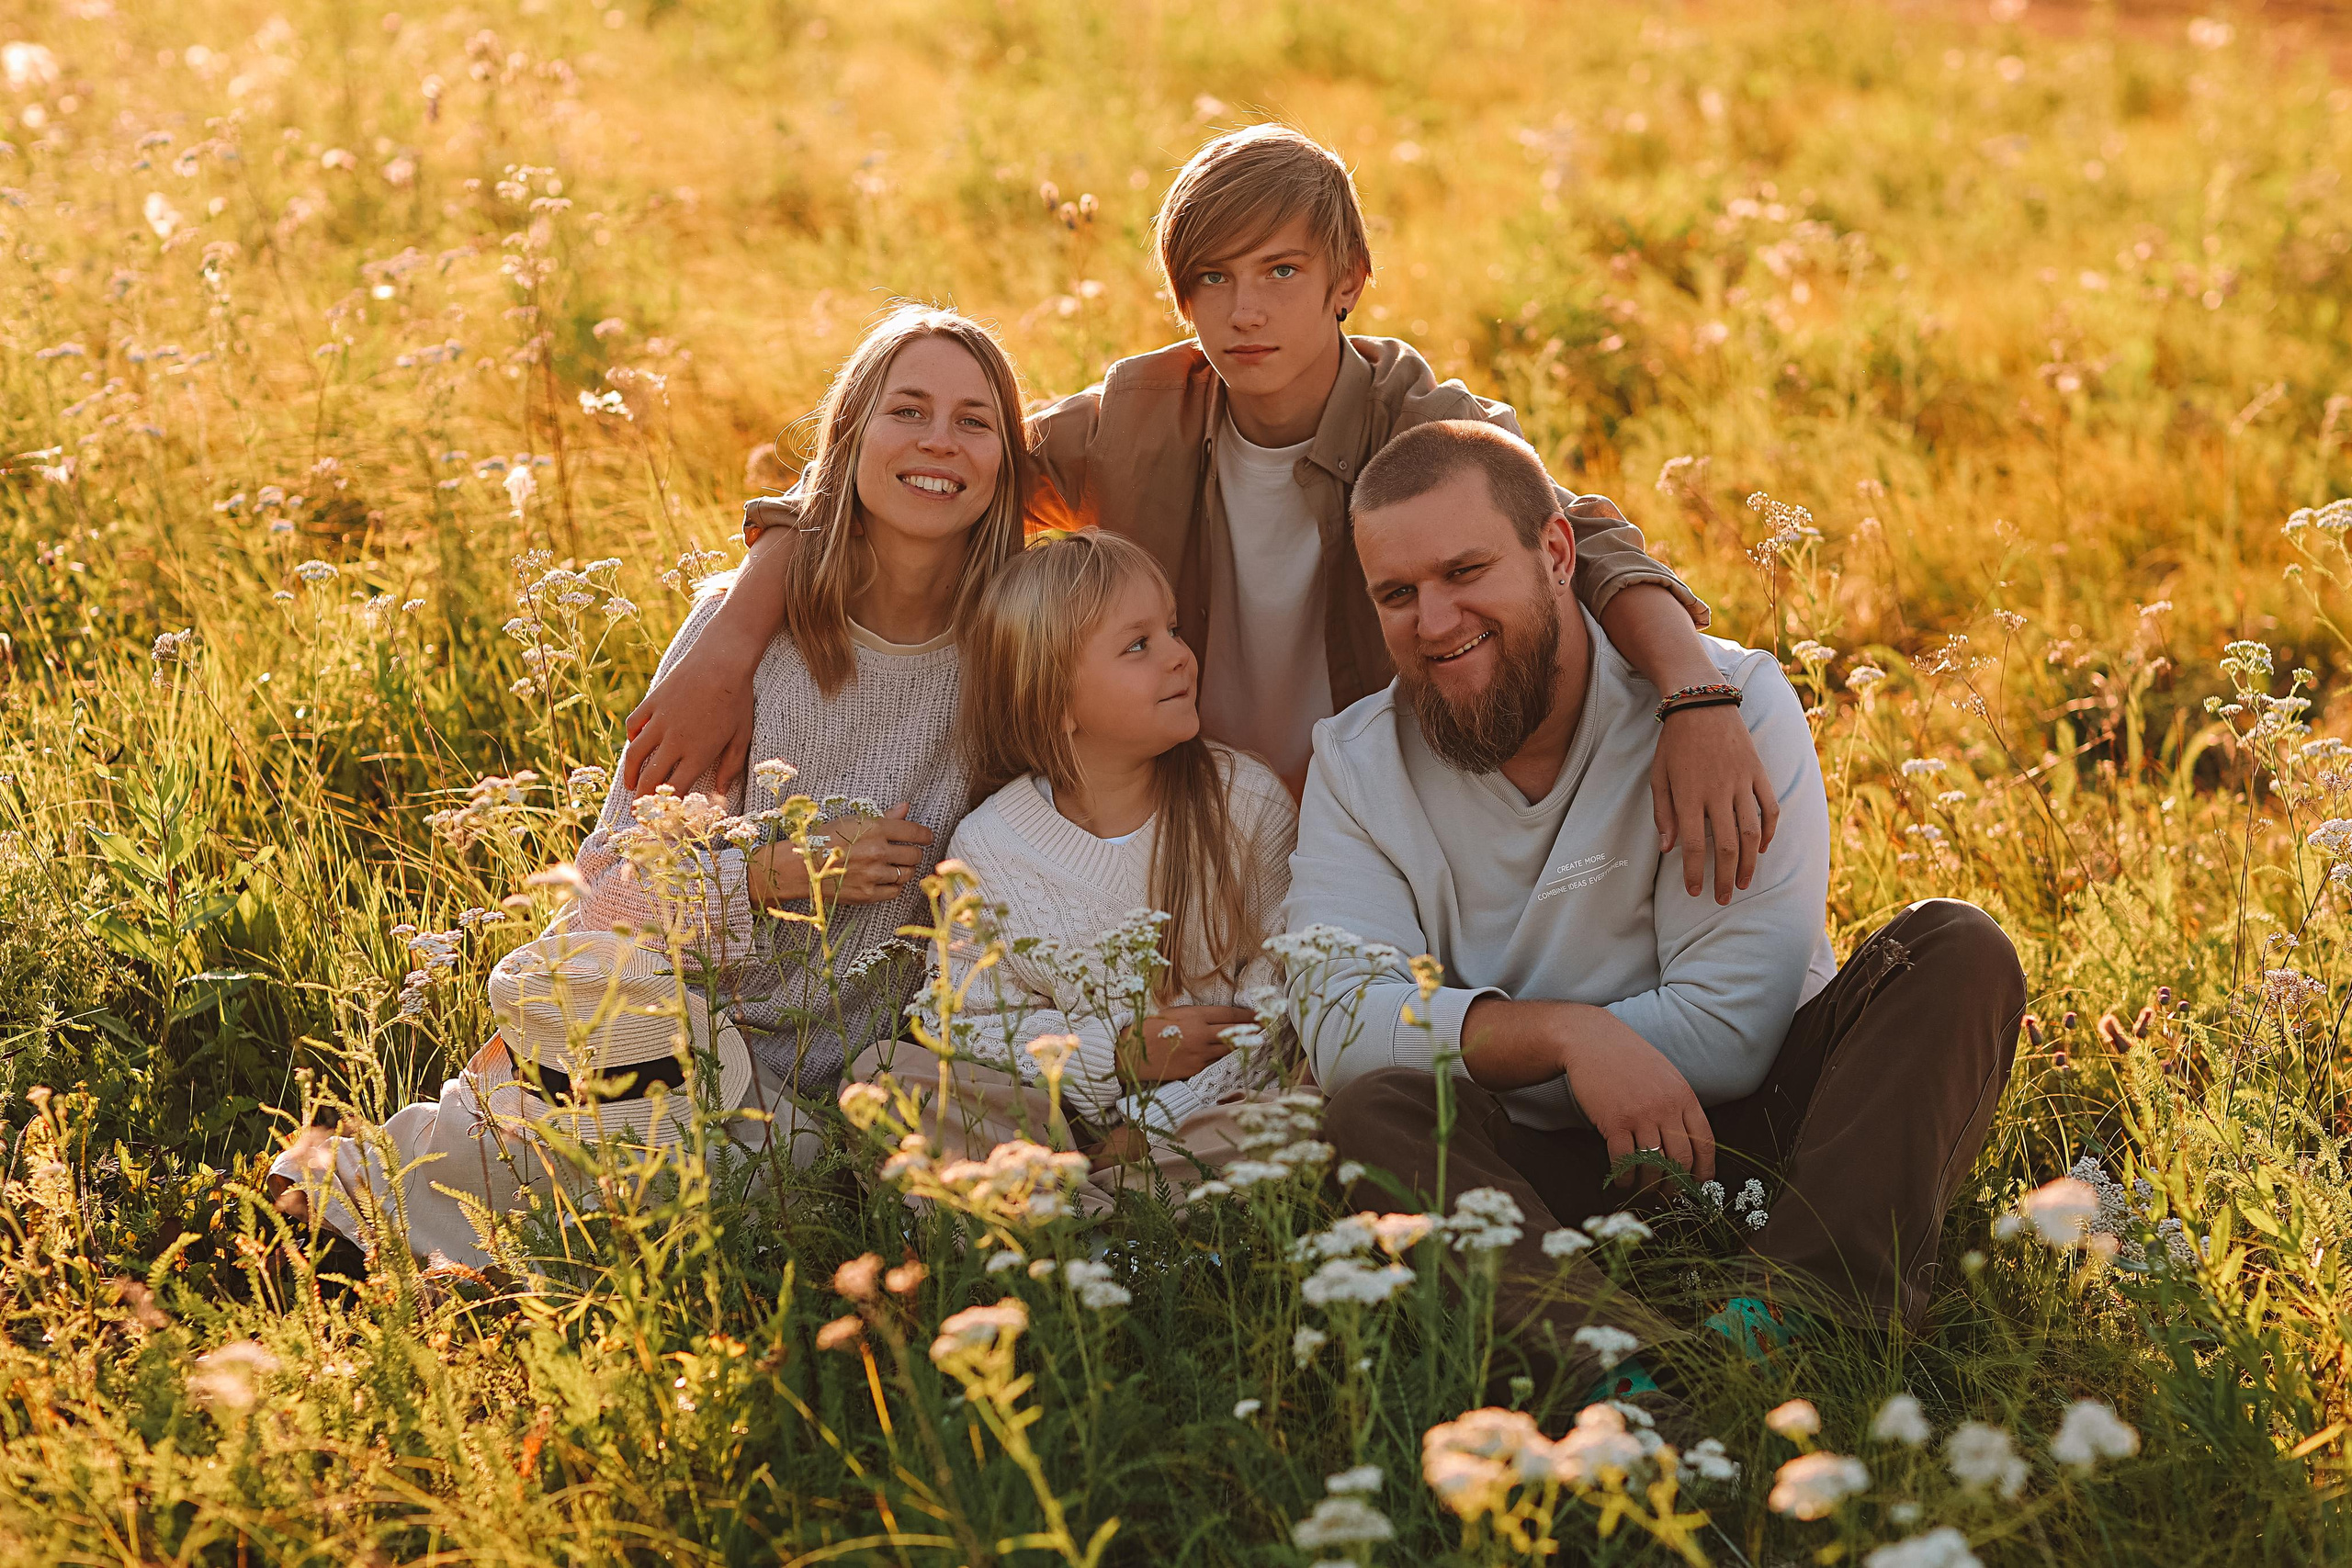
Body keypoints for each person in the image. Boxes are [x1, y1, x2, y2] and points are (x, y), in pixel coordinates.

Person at [622, 124, 1779, 910]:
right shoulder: (1137, 417)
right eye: (1210, 280)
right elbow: (921, 476)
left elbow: (1583, 536)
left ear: (1348, 281)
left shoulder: (1419, 418)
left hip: (1376, 813)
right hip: (1172, 812)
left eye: (1280, 271)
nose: (1244, 312)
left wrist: (1696, 696)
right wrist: (730, 639)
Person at [1287, 419, 2024, 1397]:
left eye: (1465, 571)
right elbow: (1341, 1027)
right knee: (1375, 1110)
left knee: (1954, 949)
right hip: (1532, 1176)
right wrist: (1568, 1037)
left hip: (1763, 1135)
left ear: (1556, 553)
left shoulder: (1729, 709)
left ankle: (1801, 1312)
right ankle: (1618, 1372)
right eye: (1397, 594)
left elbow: (1730, 1031)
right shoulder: (1354, 764)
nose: (1433, 620)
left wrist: (1503, 1043)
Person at [573, 304, 1033, 1100]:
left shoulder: (1017, 659)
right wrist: (776, 871)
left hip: (856, 1090)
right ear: (850, 437)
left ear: (1005, 463)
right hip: (669, 1035)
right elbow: (604, 901)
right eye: (908, 411)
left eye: (974, 421)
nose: (939, 441)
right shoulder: (742, 638)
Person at [854, 530, 1298, 1206]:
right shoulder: (990, 846)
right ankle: (1077, 1213)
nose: (1181, 656)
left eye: (1173, 630)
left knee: (1302, 1110)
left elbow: (1280, 1006)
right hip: (1052, 1117)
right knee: (886, 1079)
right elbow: (962, 1022)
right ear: (1056, 700)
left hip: (1207, 1111)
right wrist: (1115, 1055)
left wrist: (1154, 1126)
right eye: (1139, 645)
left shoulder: (1245, 802)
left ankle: (1070, 1226)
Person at [268, 930, 797, 1275]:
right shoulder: (746, 1156)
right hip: (562, 1121)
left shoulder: (460, 1133)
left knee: (422, 1157)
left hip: (527, 1123)